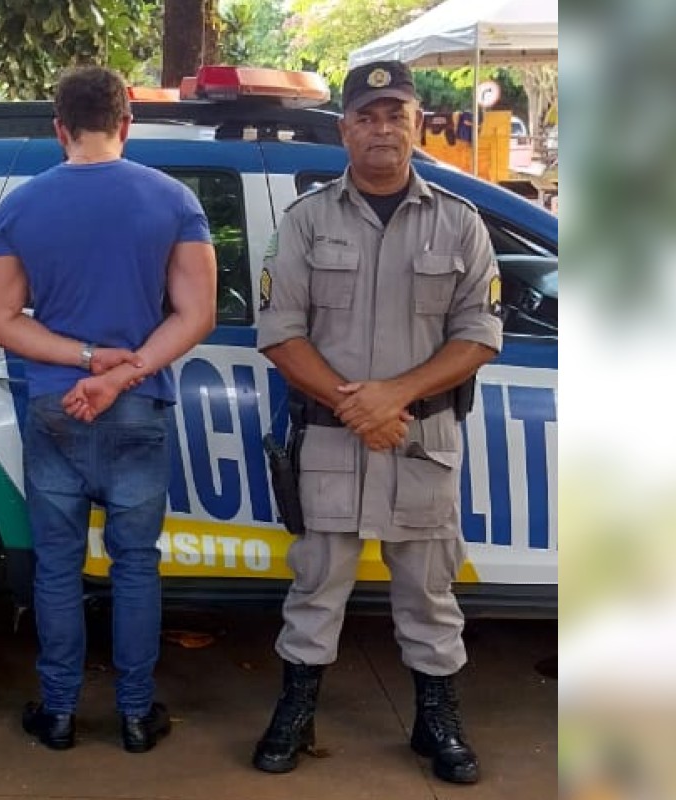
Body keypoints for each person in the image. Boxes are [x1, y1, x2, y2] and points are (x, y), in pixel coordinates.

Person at [253, 60, 502, 785]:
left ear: (416, 122)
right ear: (345, 131)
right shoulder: (305, 221)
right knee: (315, 587)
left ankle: (437, 720)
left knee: (429, 592)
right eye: (367, 116)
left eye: (395, 113)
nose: (382, 128)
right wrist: (356, 405)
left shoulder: (461, 222)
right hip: (332, 439)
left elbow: (480, 333)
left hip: (422, 440)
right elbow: (281, 332)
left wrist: (393, 396)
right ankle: (295, 715)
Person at [0, 65, 217, 753]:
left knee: (56, 566)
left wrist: (86, 361)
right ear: (126, 124)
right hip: (139, 408)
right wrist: (126, 372)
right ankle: (138, 717)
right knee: (135, 563)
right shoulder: (172, 200)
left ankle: (57, 714)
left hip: (56, 405)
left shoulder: (21, 206)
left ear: (59, 128)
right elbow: (195, 314)